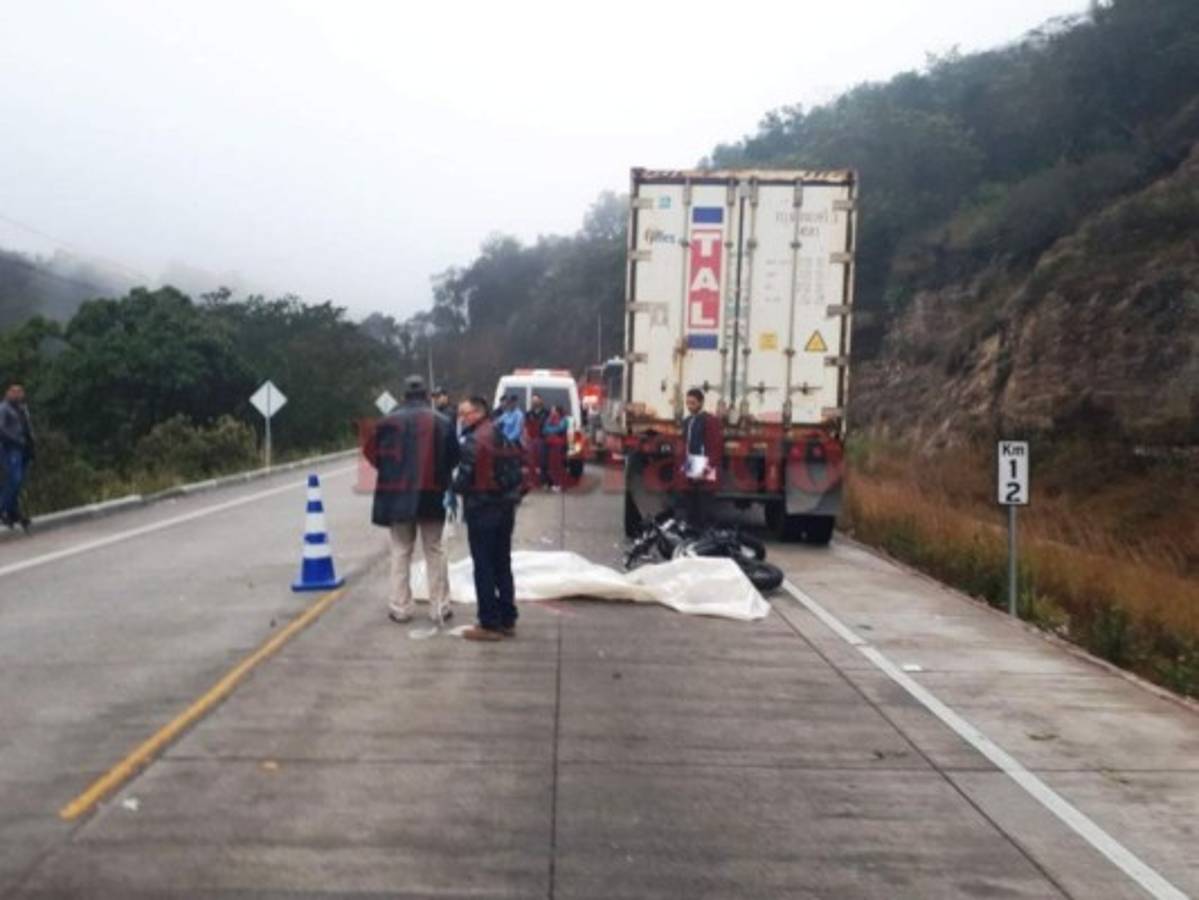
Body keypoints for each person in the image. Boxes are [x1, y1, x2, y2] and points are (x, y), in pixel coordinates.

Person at [364, 375, 459, 625]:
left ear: (403, 396)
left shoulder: (387, 422)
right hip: (432, 494)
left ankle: (400, 606)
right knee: (435, 550)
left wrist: (391, 471)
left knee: (401, 551)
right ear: (427, 396)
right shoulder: (443, 421)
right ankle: (439, 606)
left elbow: (371, 453)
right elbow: (454, 457)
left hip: (397, 496)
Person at [453, 395, 522, 641]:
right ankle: (507, 618)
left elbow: (465, 478)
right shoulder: (499, 433)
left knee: (483, 566)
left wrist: (452, 487)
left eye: (465, 413)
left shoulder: (474, 441)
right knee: (502, 563)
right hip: (505, 509)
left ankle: (489, 623)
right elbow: (517, 470)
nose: (461, 418)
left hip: (483, 510)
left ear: (478, 413)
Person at [678, 387, 722, 531]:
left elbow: (714, 448)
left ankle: (707, 538)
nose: (690, 406)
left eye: (693, 403)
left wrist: (705, 470)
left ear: (701, 403)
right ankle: (693, 537)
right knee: (690, 507)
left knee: (705, 508)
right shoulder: (688, 421)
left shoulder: (710, 421)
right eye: (688, 403)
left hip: (704, 465)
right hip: (692, 464)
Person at [0, 384, 34, 531]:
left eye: (20, 392)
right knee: (14, 479)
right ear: (8, 393)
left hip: (24, 449)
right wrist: (15, 440)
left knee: (18, 483)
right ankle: (3, 508)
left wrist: (32, 445)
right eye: (14, 391)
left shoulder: (23, 409)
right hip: (10, 448)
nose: (17, 394)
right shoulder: (3, 408)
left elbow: (28, 428)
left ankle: (13, 512)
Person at [524, 393, 549, 487]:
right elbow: (525, 426)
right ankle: (532, 481)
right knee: (531, 461)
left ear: (540, 401)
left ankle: (543, 481)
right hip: (531, 440)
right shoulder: (528, 414)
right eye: (533, 400)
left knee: (543, 461)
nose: (535, 402)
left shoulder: (546, 413)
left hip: (542, 439)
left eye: (536, 400)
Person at [542, 404, 568, 490]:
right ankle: (554, 483)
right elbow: (544, 430)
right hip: (550, 444)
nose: (552, 412)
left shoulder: (564, 419)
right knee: (551, 465)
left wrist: (551, 430)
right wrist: (552, 429)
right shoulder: (549, 419)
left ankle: (561, 484)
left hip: (559, 445)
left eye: (553, 410)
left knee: (558, 465)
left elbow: (560, 429)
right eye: (551, 410)